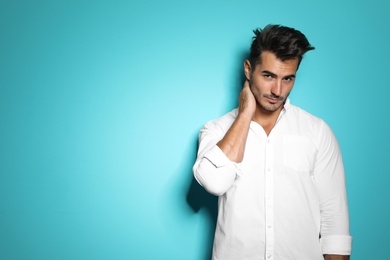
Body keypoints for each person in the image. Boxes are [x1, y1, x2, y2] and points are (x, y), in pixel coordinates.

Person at [192, 24, 352, 260]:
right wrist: (246, 113)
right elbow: (215, 183)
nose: (278, 90)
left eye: (288, 79)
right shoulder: (216, 130)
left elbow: (334, 221)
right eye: (268, 76)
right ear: (248, 69)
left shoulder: (317, 131)